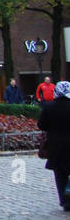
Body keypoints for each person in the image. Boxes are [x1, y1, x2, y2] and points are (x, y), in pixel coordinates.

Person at [37, 80, 70, 210]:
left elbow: (41, 125)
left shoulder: (49, 107)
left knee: (60, 174)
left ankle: (64, 201)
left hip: (56, 146)